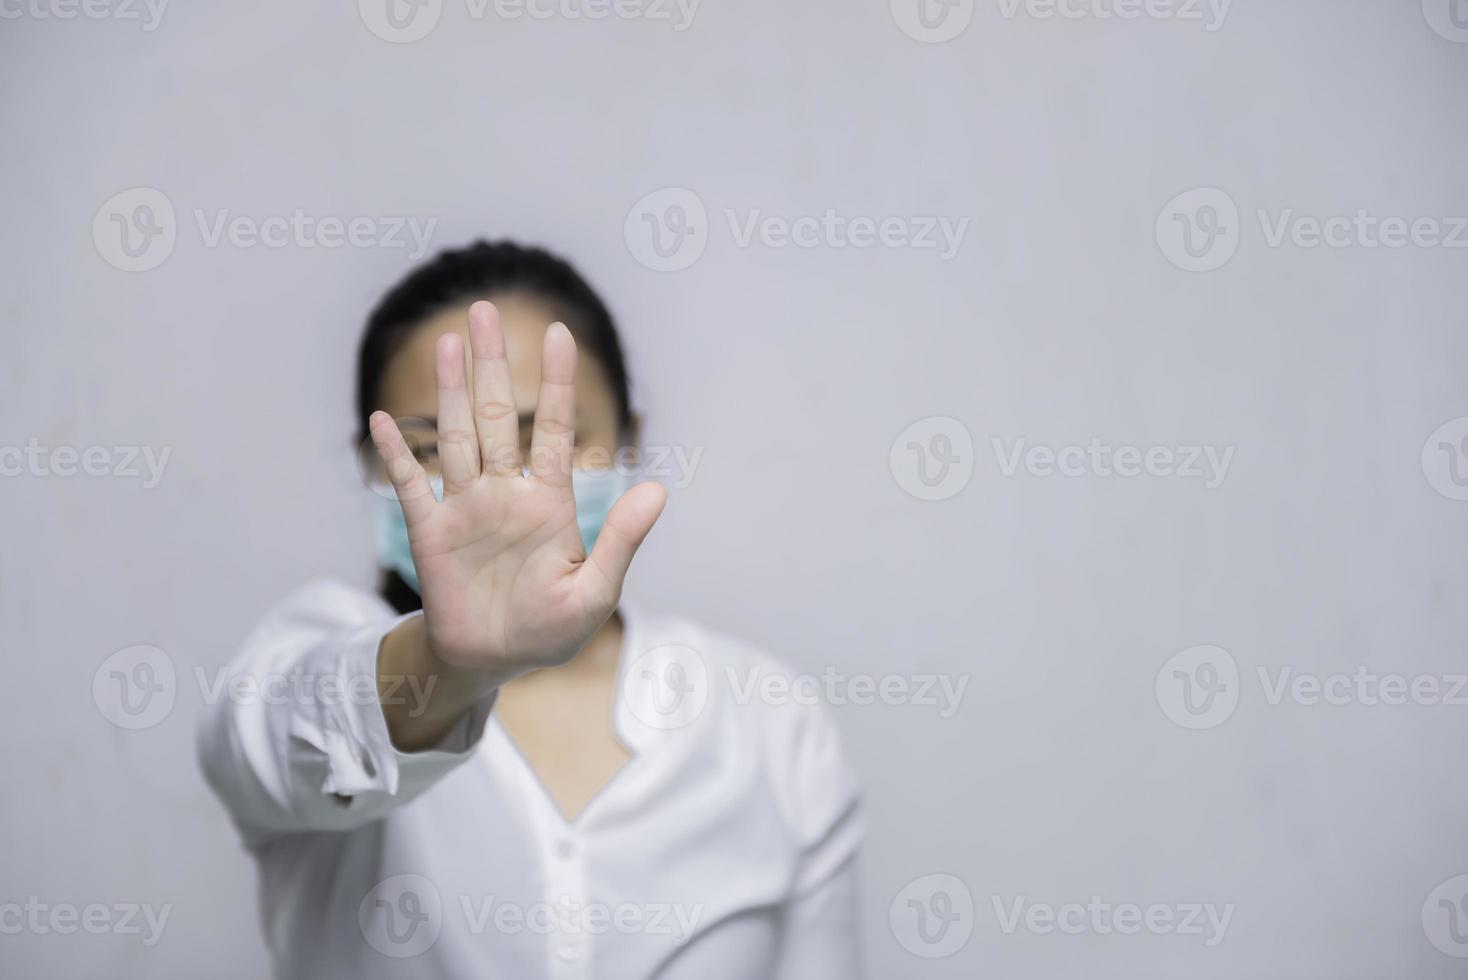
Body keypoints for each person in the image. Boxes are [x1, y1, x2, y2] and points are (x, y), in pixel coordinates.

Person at [197, 241, 864, 979]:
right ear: (370, 467)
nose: (500, 487)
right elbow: (268, 736)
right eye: (437, 449)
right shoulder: (310, 656)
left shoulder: (767, 721)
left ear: (629, 441)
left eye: (544, 438)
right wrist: (448, 662)